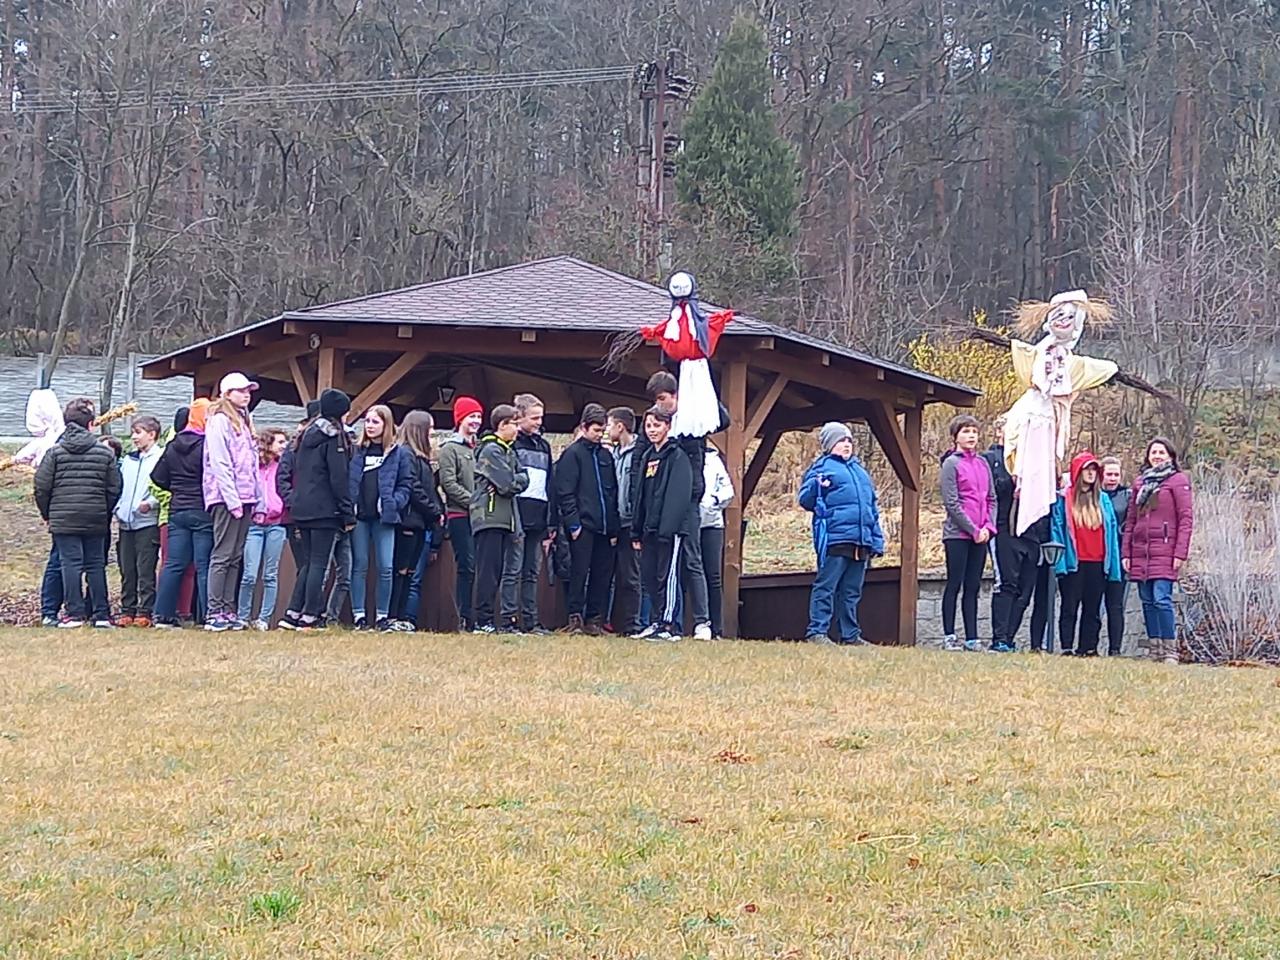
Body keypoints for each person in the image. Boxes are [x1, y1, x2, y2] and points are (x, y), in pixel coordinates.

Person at [33, 397, 122, 629]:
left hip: (63, 518)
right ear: (91, 424)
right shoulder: (105, 454)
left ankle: (74, 614)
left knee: (69, 564)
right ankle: (101, 614)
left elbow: (41, 486)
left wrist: (48, 513)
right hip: (95, 517)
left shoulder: (55, 453)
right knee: (95, 564)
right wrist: (103, 509)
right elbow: (114, 487)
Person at [643, 370, 716, 641]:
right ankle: (662, 619)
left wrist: (696, 400)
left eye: (663, 399)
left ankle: (702, 621)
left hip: (688, 500)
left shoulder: (692, 418)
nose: (660, 405)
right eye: (656, 401)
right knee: (662, 564)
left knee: (692, 560)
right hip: (663, 503)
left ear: (675, 396)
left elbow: (721, 419)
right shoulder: (657, 432)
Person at [798, 422, 884, 646]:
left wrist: (876, 541)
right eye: (840, 440)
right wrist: (817, 486)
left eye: (848, 441)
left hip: (861, 541)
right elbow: (805, 500)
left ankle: (850, 635)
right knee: (826, 586)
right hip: (835, 538)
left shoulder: (861, 472)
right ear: (829, 444)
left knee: (851, 591)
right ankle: (817, 631)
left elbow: (872, 509)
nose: (846, 445)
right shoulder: (821, 468)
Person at [279, 389, 355, 631]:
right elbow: (338, 478)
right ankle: (310, 614)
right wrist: (347, 513)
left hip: (302, 506)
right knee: (319, 564)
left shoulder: (305, 436)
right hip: (324, 509)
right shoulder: (334, 438)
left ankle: (292, 612)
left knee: (309, 563)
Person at [1122, 437, 1194, 664]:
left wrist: (1180, 553)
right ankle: (1155, 649)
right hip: (1140, 551)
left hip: (1165, 549)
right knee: (1147, 600)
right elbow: (1131, 521)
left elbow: (1185, 519)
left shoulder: (1178, 481)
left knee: (1161, 599)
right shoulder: (1140, 482)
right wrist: (1126, 553)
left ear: (1170, 456)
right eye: (1153, 452)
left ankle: (1170, 650)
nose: (1157, 456)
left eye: (1161, 452)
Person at [202, 373, 263, 631]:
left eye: (248, 391)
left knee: (235, 555)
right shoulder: (219, 420)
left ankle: (228, 609)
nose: (246, 395)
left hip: (246, 496)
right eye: (240, 391)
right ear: (227, 394)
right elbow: (220, 462)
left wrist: (258, 501)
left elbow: (253, 466)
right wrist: (231, 499)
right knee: (223, 554)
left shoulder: (245, 421)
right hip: (226, 497)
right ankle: (214, 611)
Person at [630, 406, 695, 642]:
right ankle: (656, 621)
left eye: (657, 425)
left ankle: (669, 624)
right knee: (650, 577)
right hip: (648, 529)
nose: (652, 430)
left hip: (669, 531)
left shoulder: (677, 457)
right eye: (648, 426)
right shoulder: (647, 457)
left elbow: (678, 496)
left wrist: (667, 529)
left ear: (668, 426)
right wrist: (636, 530)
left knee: (667, 577)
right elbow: (640, 495)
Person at [556, 403, 621, 635]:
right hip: (583, 526)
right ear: (584, 427)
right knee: (579, 573)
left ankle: (594, 619)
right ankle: (575, 618)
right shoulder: (572, 455)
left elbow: (612, 492)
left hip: (605, 527)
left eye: (602, 430)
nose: (600, 435)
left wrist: (613, 528)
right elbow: (565, 492)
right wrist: (574, 524)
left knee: (602, 575)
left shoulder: (606, 456)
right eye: (596, 430)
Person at [1051, 451, 1123, 656]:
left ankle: (1088, 647)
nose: (1091, 473)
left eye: (1094, 470)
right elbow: (1057, 530)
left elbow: (1111, 534)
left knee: (1093, 609)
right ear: (1078, 472)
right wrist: (1060, 564)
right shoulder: (1064, 499)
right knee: (1069, 607)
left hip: (1098, 563)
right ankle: (1066, 646)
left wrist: (1113, 566)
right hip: (1074, 562)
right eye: (1087, 469)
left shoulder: (1103, 500)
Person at [348, 405, 411, 631]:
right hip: (360, 517)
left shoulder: (398, 453)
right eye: (367, 421)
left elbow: (406, 484)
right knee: (359, 565)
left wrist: (393, 502)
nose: (370, 426)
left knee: (385, 566)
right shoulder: (356, 451)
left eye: (375, 422)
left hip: (385, 518)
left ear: (386, 424)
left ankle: (382, 615)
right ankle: (359, 615)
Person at [985, 417, 1044, 653]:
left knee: (1025, 590)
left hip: (1030, 531)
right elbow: (989, 492)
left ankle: (1009, 638)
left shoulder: (1033, 459)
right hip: (1004, 529)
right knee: (1007, 584)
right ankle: (999, 639)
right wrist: (1012, 483)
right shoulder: (990, 459)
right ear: (1000, 432)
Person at [469, 404, 529, 634]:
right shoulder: (491, 451)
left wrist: (517, 479)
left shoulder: (509, 451)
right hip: (490, 517)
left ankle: (503, 621)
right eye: (514, 424)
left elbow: (524, 478)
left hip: (507, 519)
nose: (518, 429)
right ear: (502, 425)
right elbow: (508, 484)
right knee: (489, 572)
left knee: (504, 571)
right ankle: (482, 620)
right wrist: (516, 480)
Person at [153, 399, 212, 627]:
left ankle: (163, 615)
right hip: (202, 508)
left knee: (173, 564)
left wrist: (176, 488)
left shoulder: (173, 445)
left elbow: (157, 477)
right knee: (204, 564)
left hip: (177, 510)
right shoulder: (207, 444)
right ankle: (208, 616)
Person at [940, 415, 996, 651]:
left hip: (981, 535)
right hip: (957, 535)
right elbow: (952, 503)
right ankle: (949, 636)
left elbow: (991, 499)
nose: (971, 436)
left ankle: (972, 638)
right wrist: (972, 529)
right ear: (955, 437)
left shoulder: (982, 463)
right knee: (955, 583)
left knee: (973, 586)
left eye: (974, 431)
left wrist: (988, 528)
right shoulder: (951, 464)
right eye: (965, 431)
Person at [504, 393, 556, 633]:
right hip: (517, 515)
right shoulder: (512, 445)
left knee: (532, 573)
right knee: (513, 570)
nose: (539, 422)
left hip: (539, 516)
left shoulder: (544, 446)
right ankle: (509, 619)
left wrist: (550, 520)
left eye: (541, 418)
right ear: (520, 417)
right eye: (534, 418)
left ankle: (531, 621)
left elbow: (549, 484)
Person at [390, 410, 443, 630]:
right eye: (430, 428)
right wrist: (434, 511)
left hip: (420, 521)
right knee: (401, 571)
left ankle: (402, 618)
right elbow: (413, 487)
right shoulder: (406, 454)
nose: (432, 433)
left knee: (409, 572)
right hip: (409, 520)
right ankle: (394, 616)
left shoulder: (421, 458)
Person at [111, 415, 163, 627]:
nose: (134, 437)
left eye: (138, 432)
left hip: (147, 523)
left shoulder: (160, 458)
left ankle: (145, 611)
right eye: (133, 432)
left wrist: (150, 504)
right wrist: (118, 508)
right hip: (126, 523)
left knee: (145, 568)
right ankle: (127, 610)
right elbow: (119, 487)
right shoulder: (128, 461)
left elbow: (164, 488)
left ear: (152, 435)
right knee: (127, 569)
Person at [237, 428, 290, 630]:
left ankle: (264, 619)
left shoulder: (283, 467)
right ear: (268, 444)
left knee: (270, 574)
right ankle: (243, 616)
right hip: (254, 525)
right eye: (280, 442)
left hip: (276, 524)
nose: (284, 446)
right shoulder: (252, 466)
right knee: (249, 574)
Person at [438, 396, 483, 631]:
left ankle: (478, 617)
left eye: (478, 416)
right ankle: (464, 617)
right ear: (460, 419)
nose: (476, 421)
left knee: (479, 567)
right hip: (460, 516)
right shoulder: (449, 449)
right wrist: (474, 502)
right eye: (471, 416)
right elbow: (448, 483)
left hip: (481, 519)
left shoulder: (481, 449)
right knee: (467, 566)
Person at [608, 407, 642, 637]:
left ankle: (633, 624)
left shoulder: (639, 453)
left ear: (620, 426)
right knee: (616, 575)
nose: (607, 430)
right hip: (616, 523)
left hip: (632, 522)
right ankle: (615, 623)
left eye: (610, 425)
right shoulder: (613, 455)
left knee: (632, 575)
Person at [700, 441, 734, 639]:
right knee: (685, 575)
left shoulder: (714, 460)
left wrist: (714, 501)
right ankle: (685, 624)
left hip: (712, 524)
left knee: (712, 576)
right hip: (687, 524)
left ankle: (716, 627)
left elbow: (728, 491)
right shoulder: (680, 456)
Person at [1100, 456, 1131, 656]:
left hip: (1118, 558)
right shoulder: (1091, 496)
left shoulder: (1127, 496)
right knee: (1092, 605)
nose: (1112, 478)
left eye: (1116, 475)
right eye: (1109, 474)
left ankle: (1115, 649)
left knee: (1115, 605)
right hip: (1095, 556)